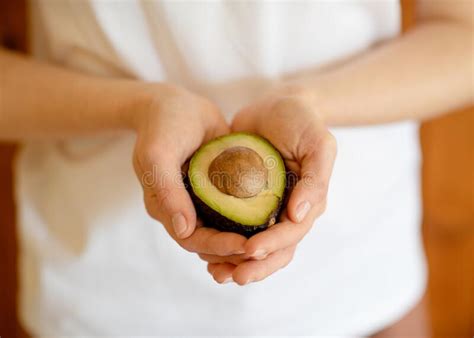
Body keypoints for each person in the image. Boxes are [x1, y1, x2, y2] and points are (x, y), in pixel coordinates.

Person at [1, 0, 472, 336]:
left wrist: (312, 101)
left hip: (358, 275)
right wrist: (136, 107)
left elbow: (462, 34)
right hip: (104, 292)